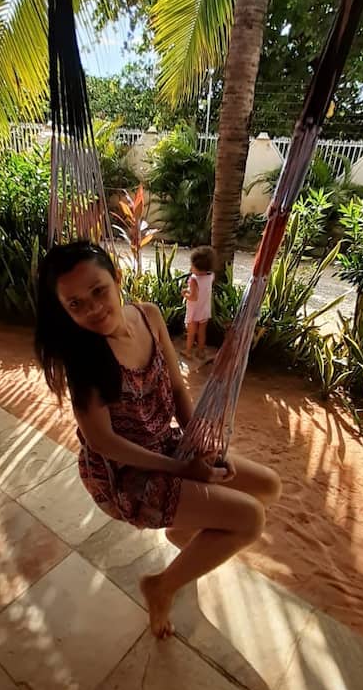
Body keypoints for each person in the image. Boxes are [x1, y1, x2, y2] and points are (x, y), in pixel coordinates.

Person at [35, 241, 281, 638]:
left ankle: (183, 532)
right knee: (249, 519)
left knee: (268, 486)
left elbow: (178, 389)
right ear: (65, 311)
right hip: (124, 475)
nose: (93, 309)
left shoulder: (148, 316)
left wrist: (202, 445)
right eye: (76, 304)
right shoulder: (85, 361)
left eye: (98, 291)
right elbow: (104, 444)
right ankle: (160, 587)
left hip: (166, 445)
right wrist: (183, 468)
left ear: (117, 278)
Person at [181, 245, 215, 361]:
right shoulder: (211, 276)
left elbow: (193, 297)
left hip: (194, 310)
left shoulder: (194, 280)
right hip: (204, 309)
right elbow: (203, 289)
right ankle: (201, 351)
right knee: (202, 332)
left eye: (192, 266)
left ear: (197, 267)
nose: (190, 268)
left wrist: (185, 294)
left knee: (191, 332)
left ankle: (188, 351)